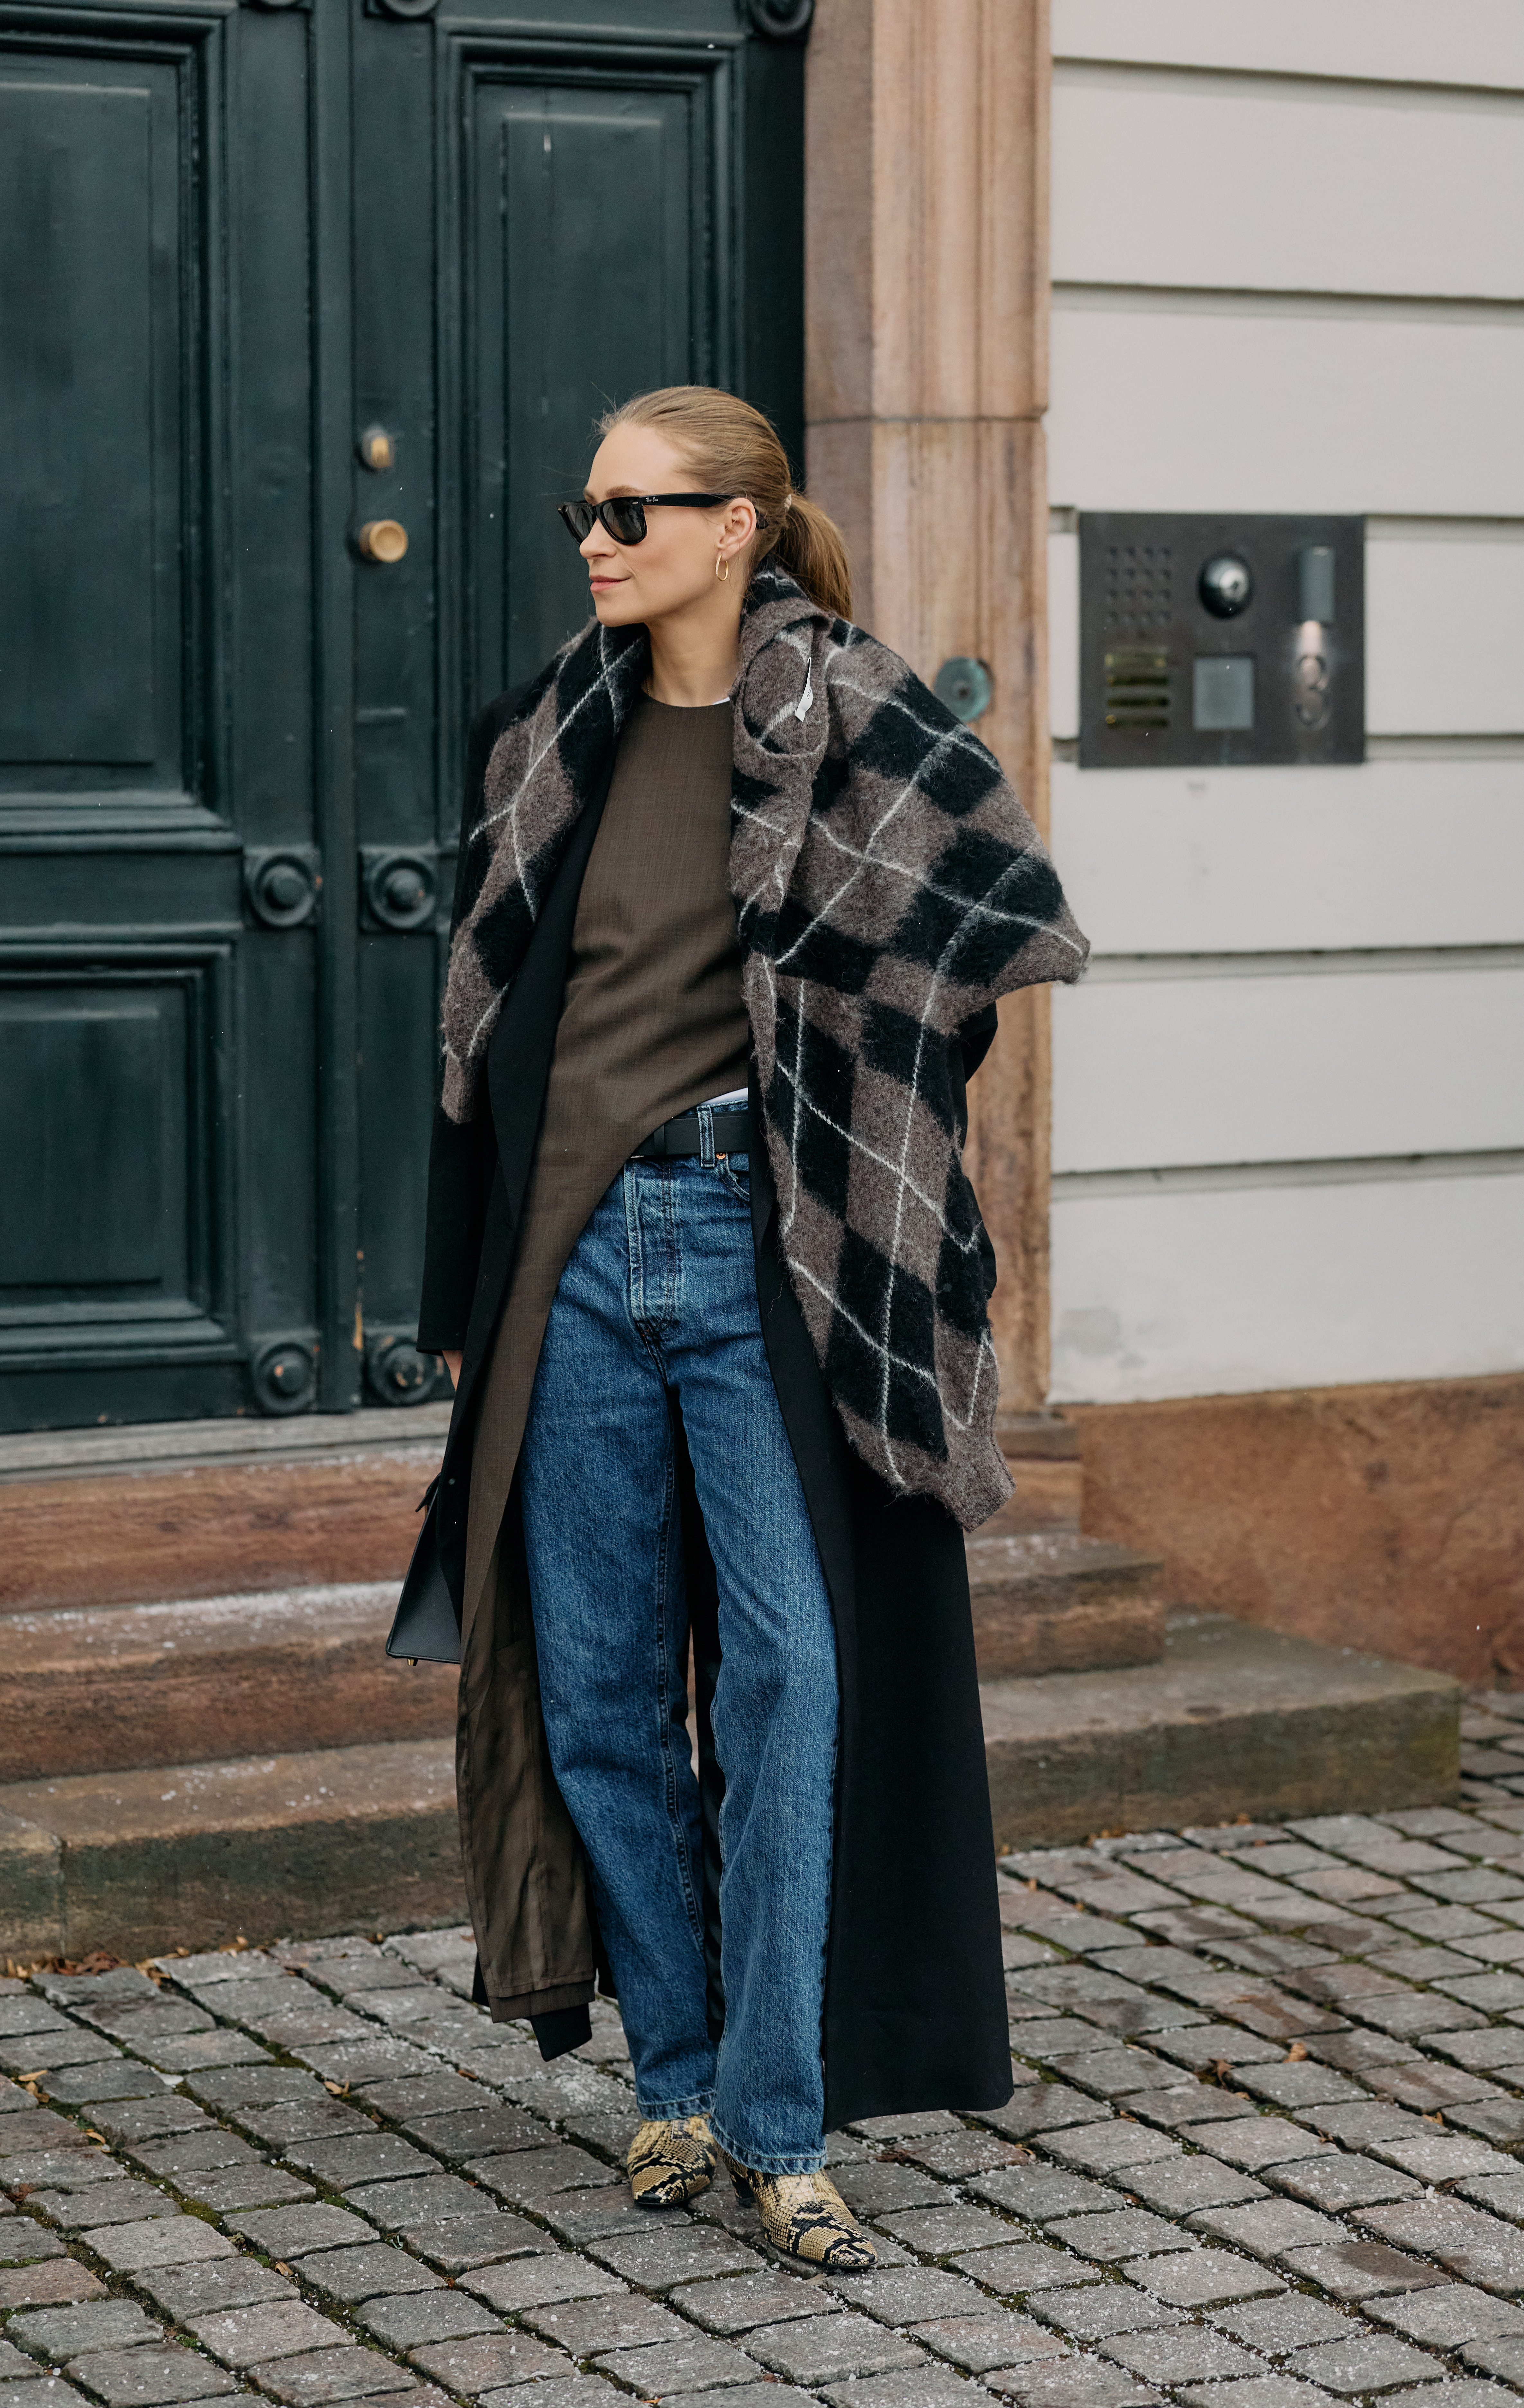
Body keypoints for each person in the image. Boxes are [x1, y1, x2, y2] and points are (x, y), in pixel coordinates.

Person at [389, 385, 1089, 2270]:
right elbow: (475, 1051)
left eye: (633, 508)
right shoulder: (543, 739)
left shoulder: (863, 724)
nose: (597, 537)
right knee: (606, 1686)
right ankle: (677, 2081)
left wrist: (868, 1148)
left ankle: (787, 2111)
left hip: (767, 1250)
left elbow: (985, 937)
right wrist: (469, 1298)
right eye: (586, 508)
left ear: (737, 527)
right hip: (574, 1254)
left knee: (789, 1676)